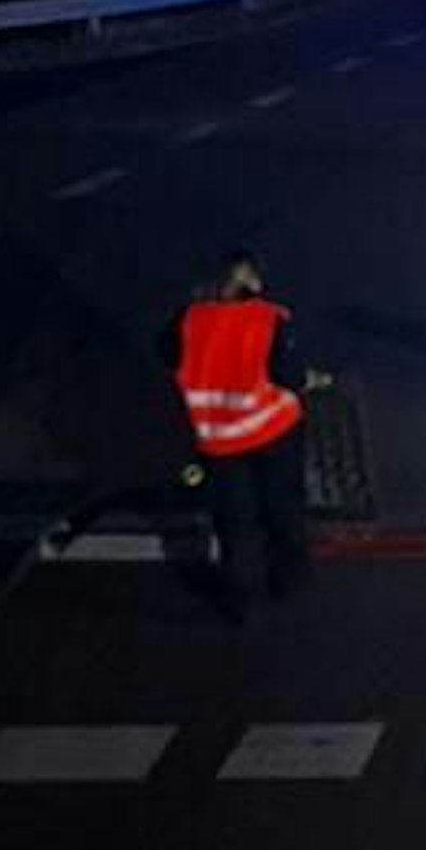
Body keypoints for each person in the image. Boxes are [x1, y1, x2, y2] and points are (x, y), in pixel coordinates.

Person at [160, 251, 315, 622]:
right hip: (274, 432)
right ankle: (288, 581)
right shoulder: (269, 319)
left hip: (219, 441)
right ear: (246, 281)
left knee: (234, 523)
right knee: (283, 509)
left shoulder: (187, 321)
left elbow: (166, 356)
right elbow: (289, 376)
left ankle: (236, 599)